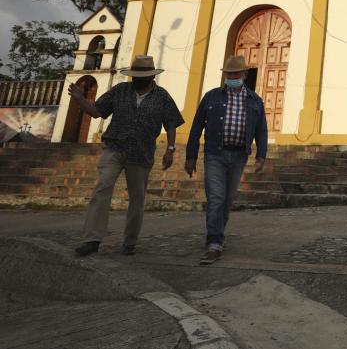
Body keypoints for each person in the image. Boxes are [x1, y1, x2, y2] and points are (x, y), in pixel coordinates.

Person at [71, 55, 184, 256]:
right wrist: (80, 99)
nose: (137, 79)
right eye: (135, 75)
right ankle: (92, 239)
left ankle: (130, 241)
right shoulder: (120, 90)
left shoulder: (162, 96)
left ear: (151, 76)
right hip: (115, 147)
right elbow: (97, 112)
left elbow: (172, 123)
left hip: (141, 153)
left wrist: (171, 149)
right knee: (102, 188)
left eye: (142, 76)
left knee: (137, 198)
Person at [186, 55, 268, 265]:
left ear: (245, 75)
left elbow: (261, 129)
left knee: (228, 200)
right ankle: (214, 242)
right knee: (216, 197)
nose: (231, 76)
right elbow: (196, 127)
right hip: (215, 153)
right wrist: (191, 155)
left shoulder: (255, 100)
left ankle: (217, 234)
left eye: (235, 73)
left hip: (239, 155)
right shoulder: (212, 97)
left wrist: (261, 155)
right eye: (228, 73)